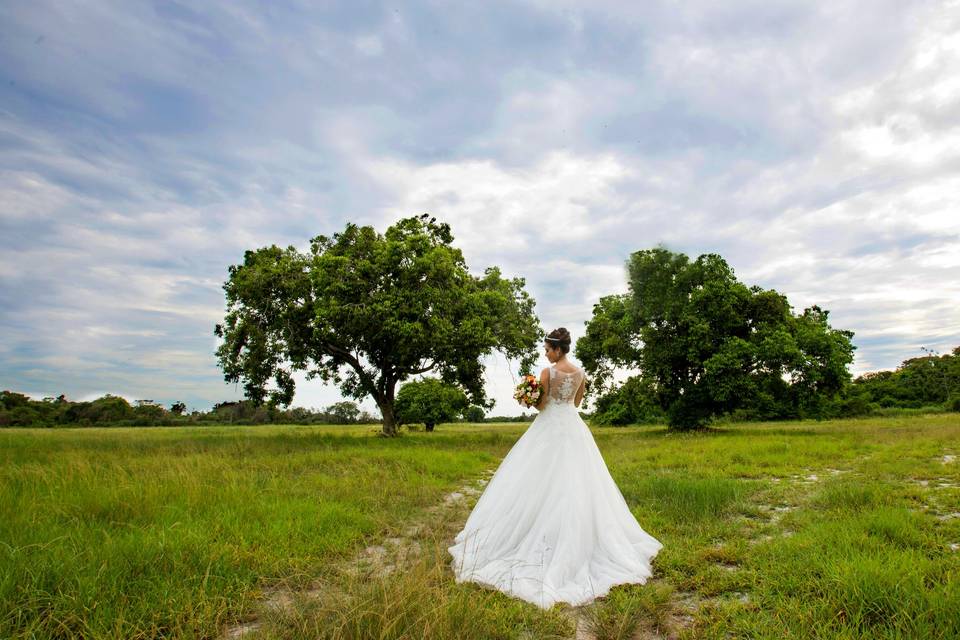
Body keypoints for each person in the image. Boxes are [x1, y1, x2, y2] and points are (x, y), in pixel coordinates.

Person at [447, 327, 663, 609]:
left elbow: (542, 406)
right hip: (573, 428)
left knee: (536, 479)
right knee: (577, 481)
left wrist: (529, 398)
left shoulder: (548, 373)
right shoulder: (581, 374)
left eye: (548, 349)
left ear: (558, 350)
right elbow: (576, 403)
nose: (545, 353)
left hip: (549, 428)